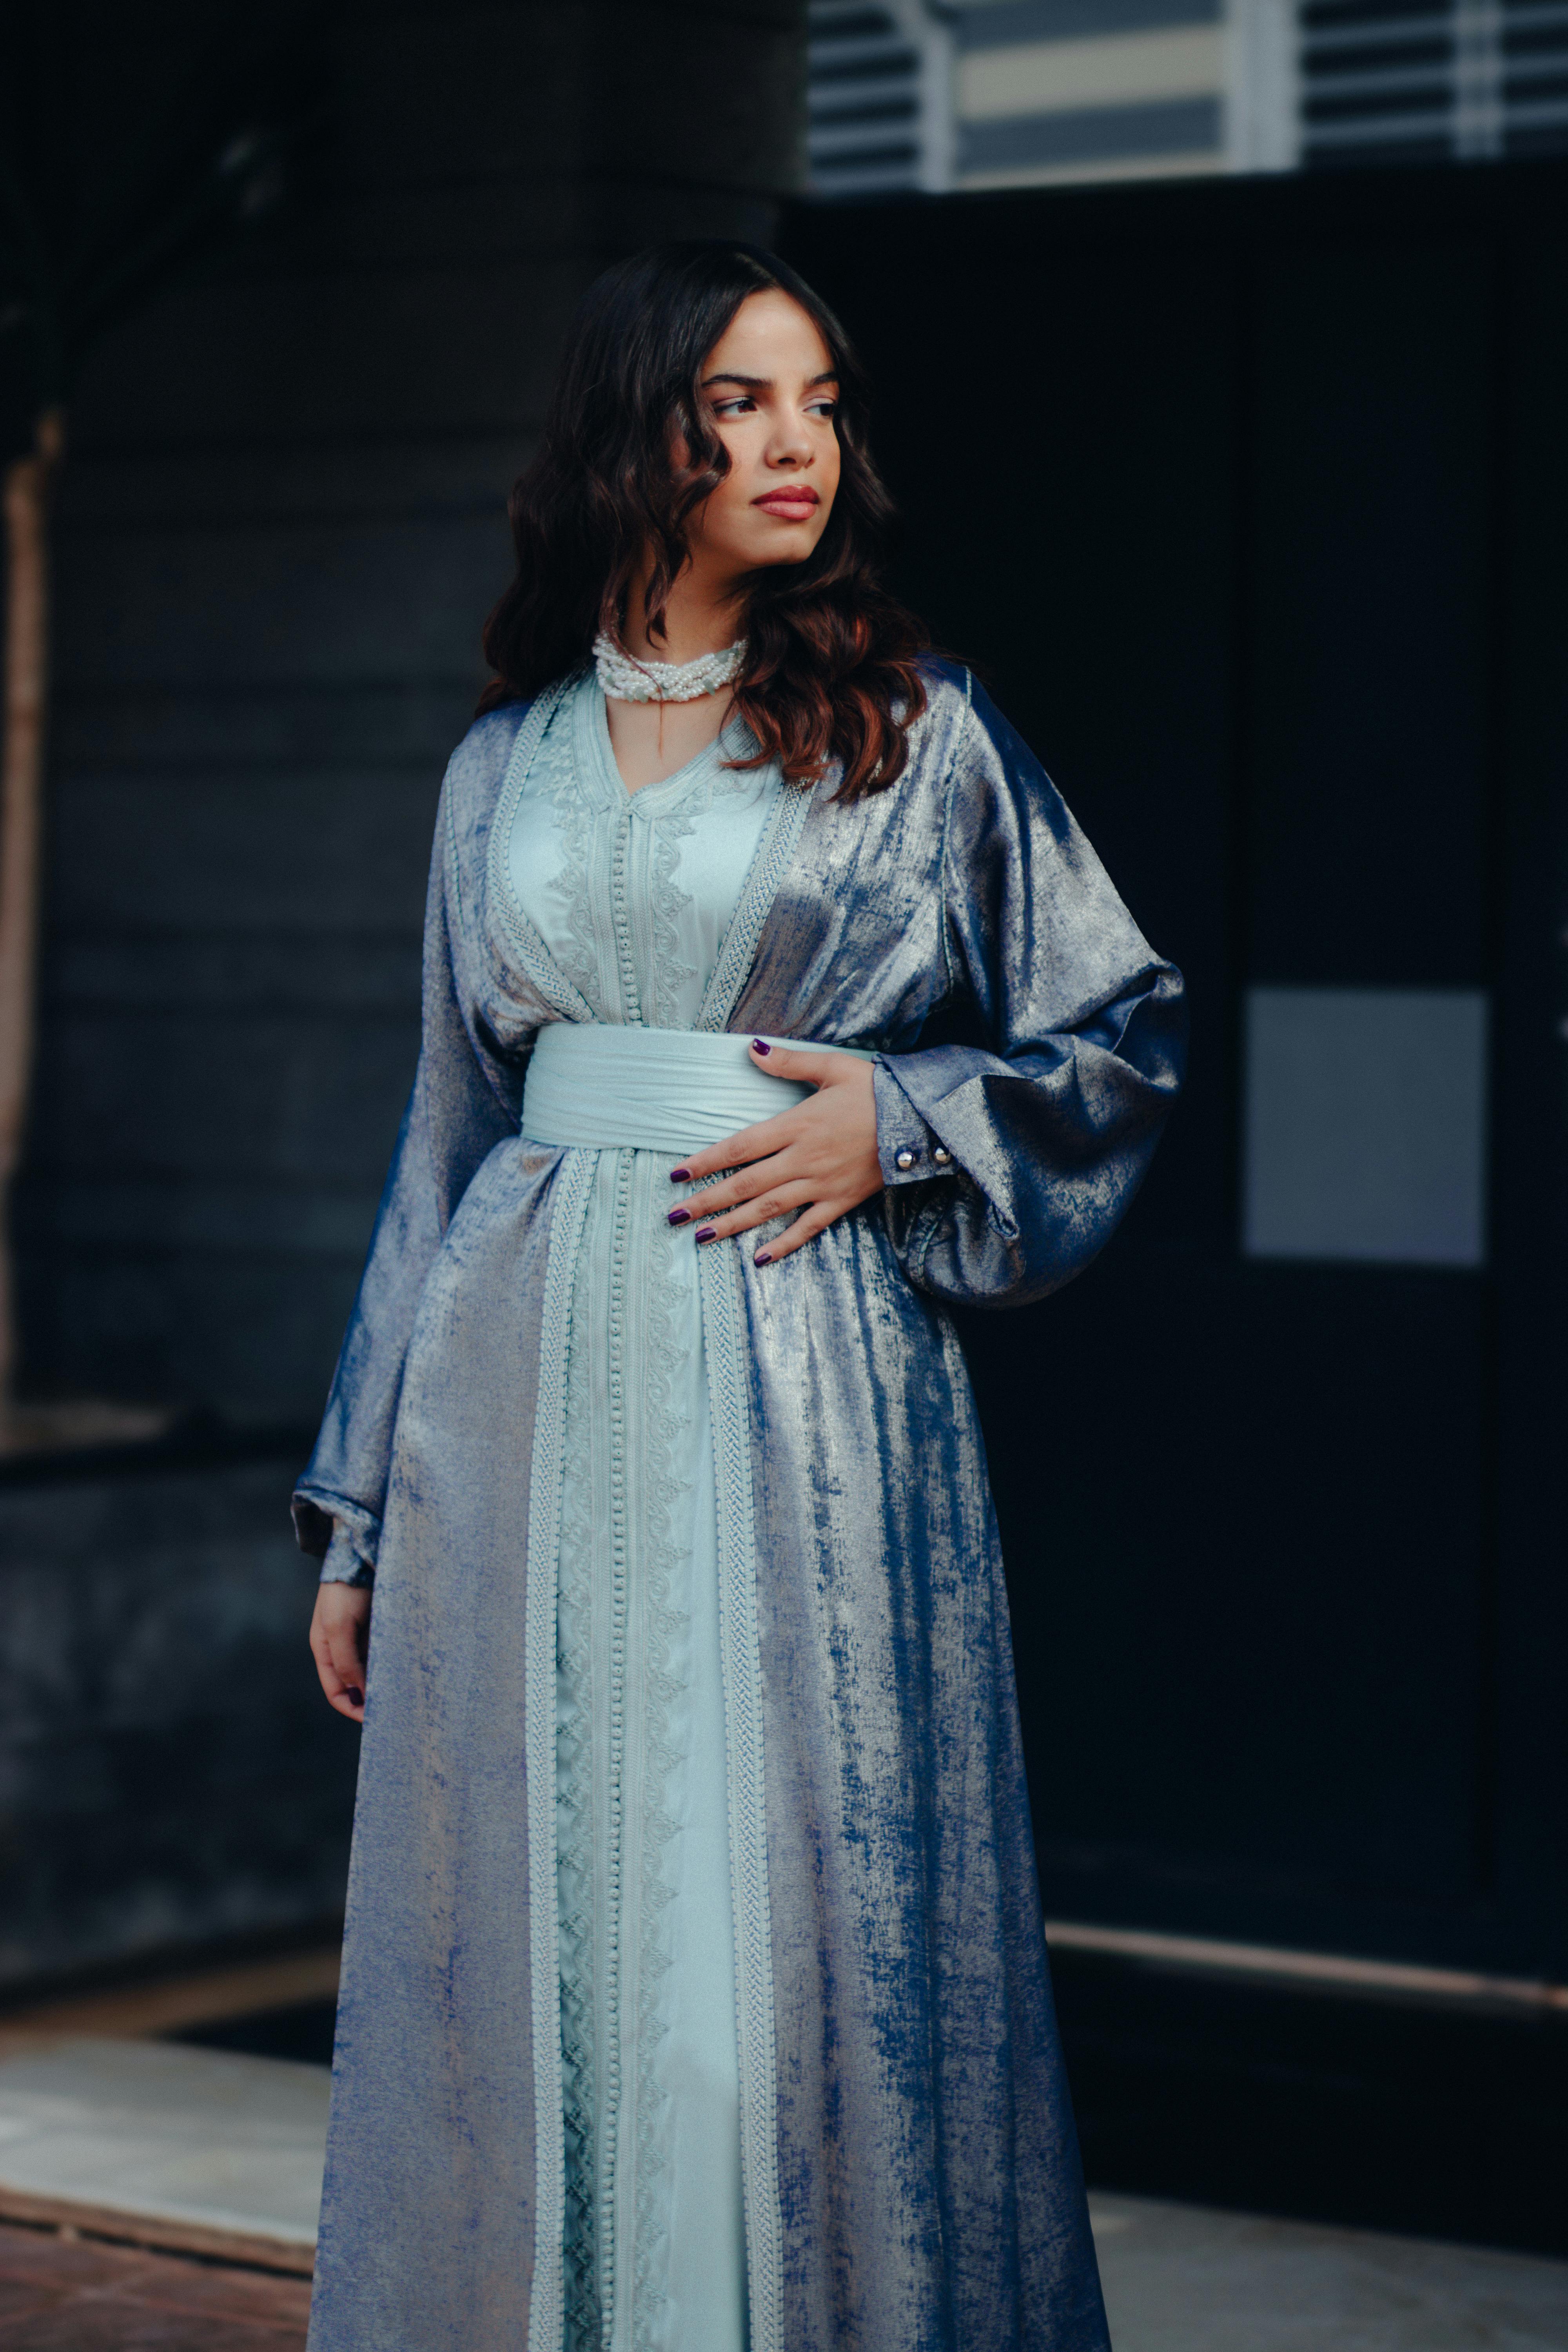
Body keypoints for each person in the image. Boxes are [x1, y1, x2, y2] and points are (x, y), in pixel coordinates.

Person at [296, 240, 1185, 2352]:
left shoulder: (910, 727)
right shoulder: (493, 767)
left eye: (819, 405)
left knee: (777, 1920)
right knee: (547, 1918)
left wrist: (894, 1120)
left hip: (799, 1375)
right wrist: (360, 1512)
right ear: (638, 432)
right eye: (739, 404)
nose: (796, 445)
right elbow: (438, 1140)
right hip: (507, 1394)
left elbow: (1117, 1033)